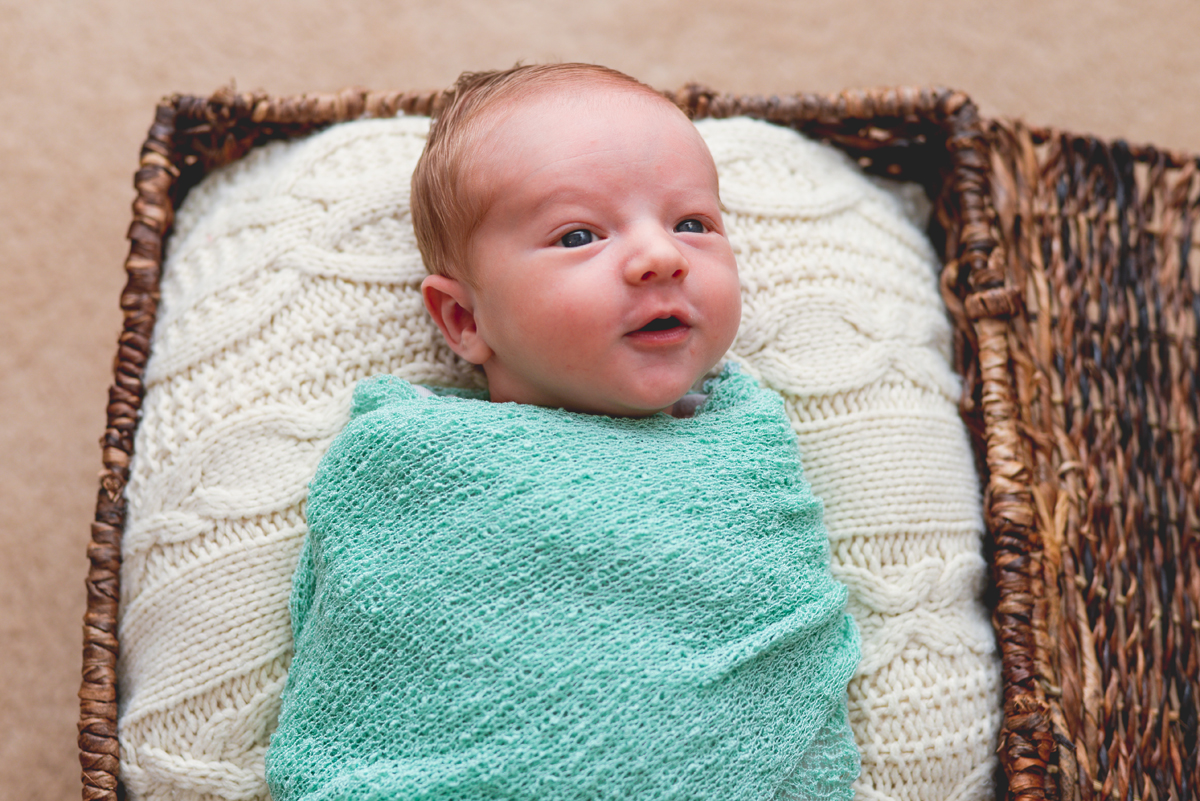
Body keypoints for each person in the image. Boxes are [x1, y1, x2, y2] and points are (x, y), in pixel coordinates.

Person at [266, 64, 860, 801]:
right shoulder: (418, 465)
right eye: (580, 234)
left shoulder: (746, 445)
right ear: (465, 320)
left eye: (692, 224)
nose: (661, 256)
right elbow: (374, 663)